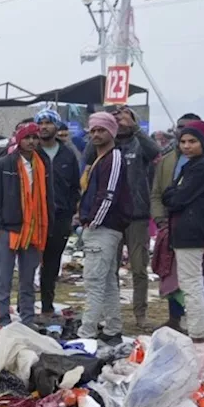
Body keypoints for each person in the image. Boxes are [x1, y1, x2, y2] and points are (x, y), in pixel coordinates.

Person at [84, 107, 158, 328]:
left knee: (138, 267)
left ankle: (140, 313)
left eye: (126, 116)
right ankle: (111, 314)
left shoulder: (139, 143)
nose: (121, 119)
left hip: (137, 215)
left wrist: (134, 127)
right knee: (108, 268)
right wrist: (106, 125)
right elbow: (88, 155)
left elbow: (154, 152)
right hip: (112, 218)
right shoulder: (106, 146)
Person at [160, 121, 204, 341]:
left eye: (192, 141)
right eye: (183, 142)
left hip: (193, 230)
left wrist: (172, 196)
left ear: (203, 143)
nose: (187, 146)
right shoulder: (191, 165)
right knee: (191, 281)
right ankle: (196, 329)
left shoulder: (203, 166)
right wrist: (172, 195)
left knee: (191, 282)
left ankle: (196, 333)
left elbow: (177, 198)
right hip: (187, 229)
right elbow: (169, 194)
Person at [0, 122, 52, 326]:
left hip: (34, 227)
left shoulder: (42, 163)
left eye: (35, 137)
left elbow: (49, 195)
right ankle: (4, 319)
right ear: (19, 139)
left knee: (28, 279)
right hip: (8, 228)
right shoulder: (5, 164)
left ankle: (28, 319)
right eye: (27, 138)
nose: (31, 142)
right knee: (4, 277)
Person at [77, 111, 131, 345]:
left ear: (112, 132)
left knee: (93, 282)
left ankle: (86, 332)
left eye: (102, 130)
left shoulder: (114, 157)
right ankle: (112, 327)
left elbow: (108, 195)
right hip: (99, 226)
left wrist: (92, 222)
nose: (97, 134)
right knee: (107, 281)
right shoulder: (99, 158)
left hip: (104, 227)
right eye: (94, 130)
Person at [32, 109, 81, 319]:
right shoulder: (32, 152)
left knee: (52, 263)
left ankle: (47, 306)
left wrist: (70, 211)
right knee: (29, 262)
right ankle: (26, 306)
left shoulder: (67, 154)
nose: (44, 127)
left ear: (56, 126)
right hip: (34, 216)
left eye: (48, 123)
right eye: (40, 123)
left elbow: (74, 187)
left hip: (60, 216)